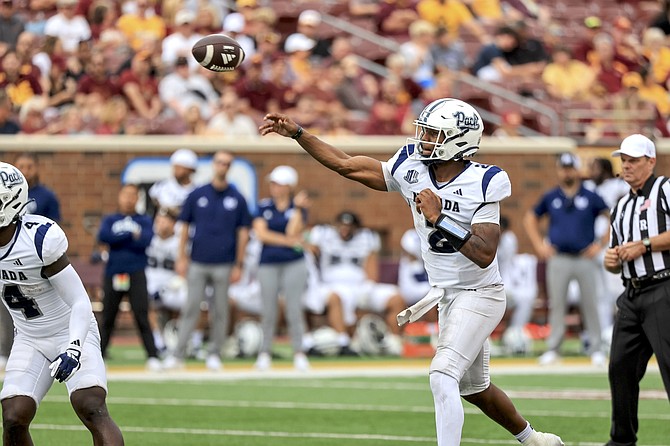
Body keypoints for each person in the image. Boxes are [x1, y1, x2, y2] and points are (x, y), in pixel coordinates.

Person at [259, 98, 564, 446]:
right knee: (474, 389)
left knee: (442, 374)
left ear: (458, 140)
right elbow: (347, 165)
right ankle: (535, 440)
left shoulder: (485, 180)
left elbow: (484, 253)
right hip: (446, 294)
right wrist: (299, 134)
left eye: (434, 134)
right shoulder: (412, 165)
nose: (424, 139)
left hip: (480, 293)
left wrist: (439, 218)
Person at [0, 162, 123, 445]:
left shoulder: (39, 239)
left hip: (70, 330)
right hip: (29, 337)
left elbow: (80, 300)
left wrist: (74, 347)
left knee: (90, 405)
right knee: (13, 416)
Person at [604, 134, 670, 446]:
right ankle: (621, 440)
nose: (626, 165)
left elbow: (641, 247)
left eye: (633, 160)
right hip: (631, 294)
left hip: (664, 288)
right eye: (624, 160)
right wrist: (611, 259)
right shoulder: (620, 207)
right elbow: (617, 258)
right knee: (620, 367)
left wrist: (644, 245)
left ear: (651, 161)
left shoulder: (666, 189)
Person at [163, 150, 251, 372]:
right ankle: (178, 354)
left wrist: (239, 264)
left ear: (230, 167)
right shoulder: (197, 194)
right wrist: (182, 256)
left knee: (220, 309)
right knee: (191, 307)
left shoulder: (237, 198)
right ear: (214, 165)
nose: (223, 166)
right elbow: (184, 227)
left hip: (224, 262)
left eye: (227, 163)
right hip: (198, 261)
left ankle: (214, 353)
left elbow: (242, 234)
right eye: (219, 162)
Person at [523, 153, 609, 367]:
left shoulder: (590, 196)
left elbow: (611, 216)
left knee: (590, 303)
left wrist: (600, 245)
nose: (567, 172)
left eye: (571, 168)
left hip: (584, 258)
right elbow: (530, 218)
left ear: (577, 170)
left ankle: (596, 348)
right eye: (564, 168)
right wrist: (539, 245)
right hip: (559, 257)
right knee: (557, 304)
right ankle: (554, 348)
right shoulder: (551, 196)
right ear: (559, 170)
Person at [97, 183, 162, 371]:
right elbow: (104, 236)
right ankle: (99, 356)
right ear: (119, 196)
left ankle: (152, 356)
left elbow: (146, 240)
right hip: (113, 273)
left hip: (136, 272)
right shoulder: (111, 219)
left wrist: (123, 238)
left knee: (141, 314)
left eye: (133, 195)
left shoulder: (144, 220)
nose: (128, 199)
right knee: (108, 316)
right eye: (125, 194)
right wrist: (129, 236)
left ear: (138, 198)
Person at [252, 165, 310, 371]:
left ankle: (299, 352)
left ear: (288, 186)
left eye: (278, 183)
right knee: (268, 309)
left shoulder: (299, 208)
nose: (273, 187)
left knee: (294, 308)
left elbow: (292, 230)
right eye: (273, 183)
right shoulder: (263, 206)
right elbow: (262, 234)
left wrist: (296, 209)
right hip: (268, 262)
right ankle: (264, 352)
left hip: (294, 263)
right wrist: (290, 242)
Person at [147, 148, 198, 217]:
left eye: (179, 168)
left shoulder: (197, 190)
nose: (175, 171)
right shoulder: (161, 186)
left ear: (190, 170)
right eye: (175, 167)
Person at [14, 152, 61, 222]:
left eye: (29, 167)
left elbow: (54, 224)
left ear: (37, 168)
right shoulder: (8, 193)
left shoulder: (48, 196)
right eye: (21, 167)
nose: (25, 172)